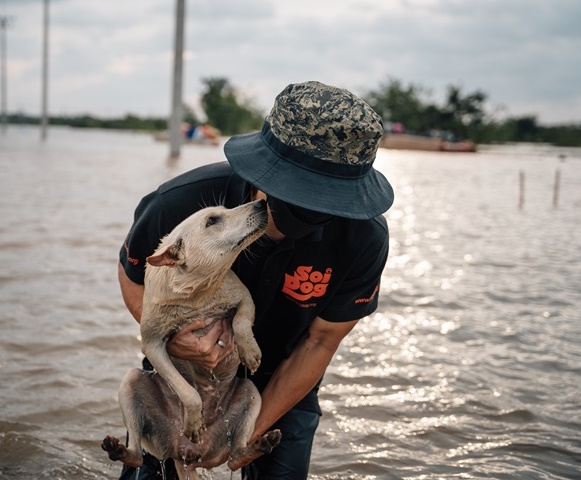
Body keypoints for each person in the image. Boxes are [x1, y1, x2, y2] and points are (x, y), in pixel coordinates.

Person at [117, 81, 394, 479]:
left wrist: (241, 436)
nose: (305, 209)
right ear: (263, 168)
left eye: (324, 201)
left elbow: (320, 341)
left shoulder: (363, 238)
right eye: (297, 193)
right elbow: (132, 274)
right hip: (181, 375)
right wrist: (177, 339)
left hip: (284, 376)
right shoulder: (180, 205)